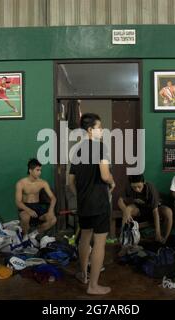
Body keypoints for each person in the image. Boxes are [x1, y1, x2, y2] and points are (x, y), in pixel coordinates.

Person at [69, 113, 114, 295]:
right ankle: (93, 286)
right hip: (100, 203)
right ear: (90, 130)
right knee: (99, 243)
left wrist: (81, 195)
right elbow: (104, 175)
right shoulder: (100, 147)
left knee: (85, 237)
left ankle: (83, 275)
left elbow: (71, 182)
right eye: (99, 127)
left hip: (84, 203)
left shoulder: (77, 150)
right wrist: (112, 181)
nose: (102, 131)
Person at [118, 174, 173, 243]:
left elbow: (155, 212)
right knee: (128, 209)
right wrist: (126, 212)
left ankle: (164, 239)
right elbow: (120, 201)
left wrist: (157, 233)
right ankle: (125, 242)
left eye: (139, 187)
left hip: (154, 209)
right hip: (139, 209)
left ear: (144, 182)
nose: (137, 189)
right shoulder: (128, 187)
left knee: (168, 211)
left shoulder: (150, 188)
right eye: (134, 187)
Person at [15, 159, 57, 242]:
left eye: (40, 170)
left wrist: (51, 211)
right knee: (25, 217)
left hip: (37, 207)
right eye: (37, 170)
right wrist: (29, 210)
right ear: (30, 171)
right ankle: (25, 236)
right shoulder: (21, 183)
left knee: (53, 219)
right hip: (25, 207)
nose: (40, 172)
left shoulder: (43, 183)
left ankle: (34, 233)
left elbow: (53, 198)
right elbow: (18, 202)